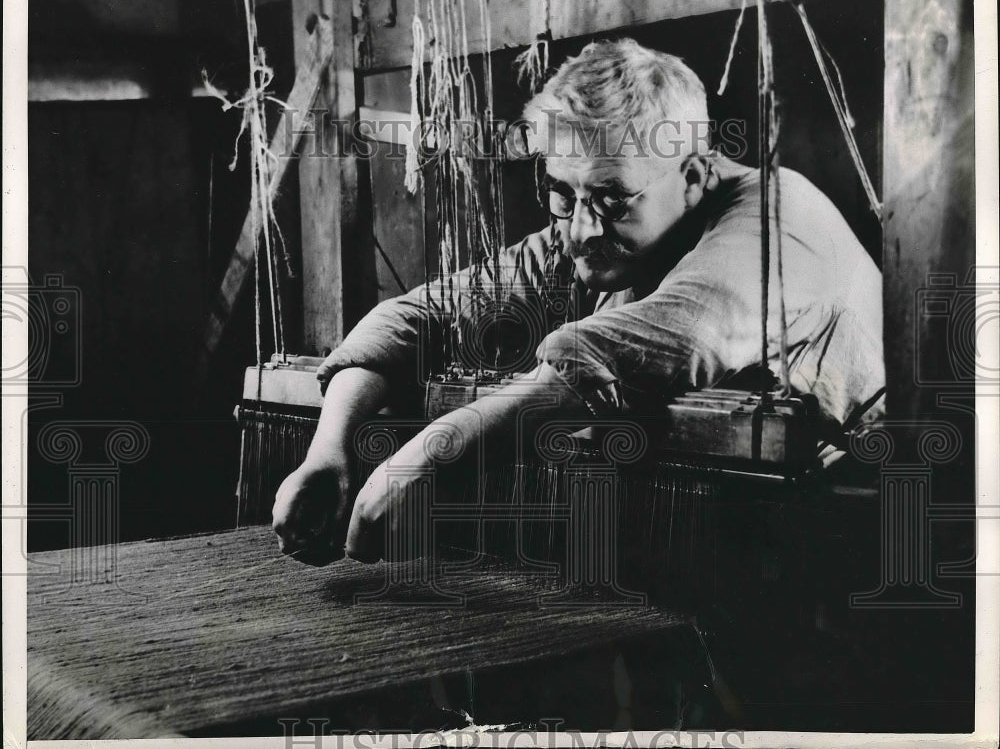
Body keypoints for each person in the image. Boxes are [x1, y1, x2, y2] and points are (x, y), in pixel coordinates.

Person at [271, 38, 885, 565]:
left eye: (613, 199)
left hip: (852, 539)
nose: (583, 229)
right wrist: (333, 448)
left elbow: (672, 336)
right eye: (562, 193)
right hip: (727, 536)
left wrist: (433, 458)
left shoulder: (781, 218)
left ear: (694, 175)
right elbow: (419, 316)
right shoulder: (589, 229)